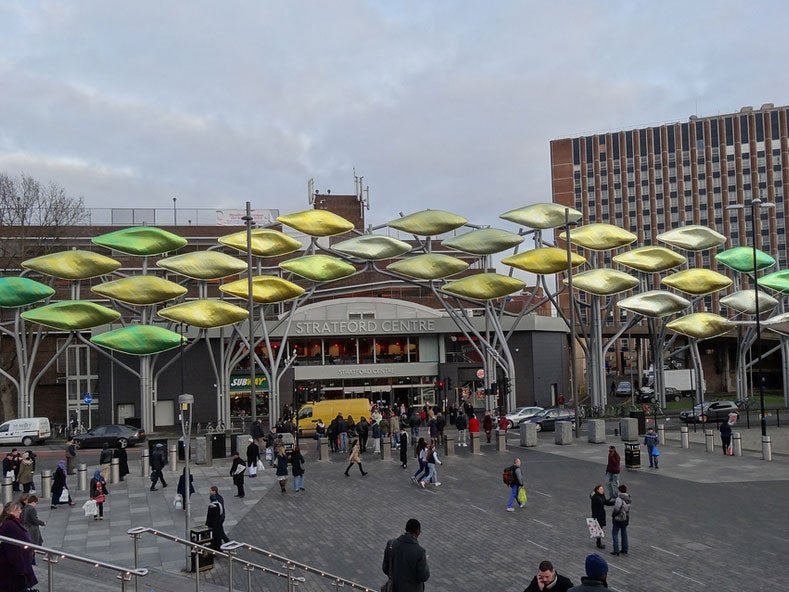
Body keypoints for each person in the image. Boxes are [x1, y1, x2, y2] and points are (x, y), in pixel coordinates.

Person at [382, 518, 429, 592]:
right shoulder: (420, 552)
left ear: (406, 529)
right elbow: (424, 576)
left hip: (393, 589)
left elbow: (385, 568)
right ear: (417, 532)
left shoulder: (391, 544)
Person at [0, 501, 38, 592]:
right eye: (18, 510)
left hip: (18, 565)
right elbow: (12, 550)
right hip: (16, 568)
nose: (20, 512)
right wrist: (21, 568)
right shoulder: (9, 524)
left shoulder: (12, 523)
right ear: (10, 511)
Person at [206, 486, 230, 551]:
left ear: (214, 491)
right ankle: (227, 543)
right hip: (219, 519)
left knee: (219, 533)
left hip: (218, 520)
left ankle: (226, 544)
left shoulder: (216, 501)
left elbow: (215, 512)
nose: (209, 492)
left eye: (210, 490)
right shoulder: (218, 497)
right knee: (221, 532)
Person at [590, 484, 613, 549]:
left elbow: (605, 502)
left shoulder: (602, 495)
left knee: (600, 528)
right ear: (597, 490)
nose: (602, 490)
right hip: (597, 515)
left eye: (602, 489)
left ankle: (598, 542)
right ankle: (599, 543)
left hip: (602, 514)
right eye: (601, 489)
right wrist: (594, 517)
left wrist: (613, 502)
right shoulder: (595, 497)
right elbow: (593, 507)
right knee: (599, 529)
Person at [610, 484, 631, 556]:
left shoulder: (619, 499)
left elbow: (616, 509)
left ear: (620, 491)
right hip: (625, 518)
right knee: (624, 534)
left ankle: (616, 550)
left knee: (614, 534)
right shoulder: (628, 497)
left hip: (618, 519)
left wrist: (613, 516)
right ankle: (625, 549)